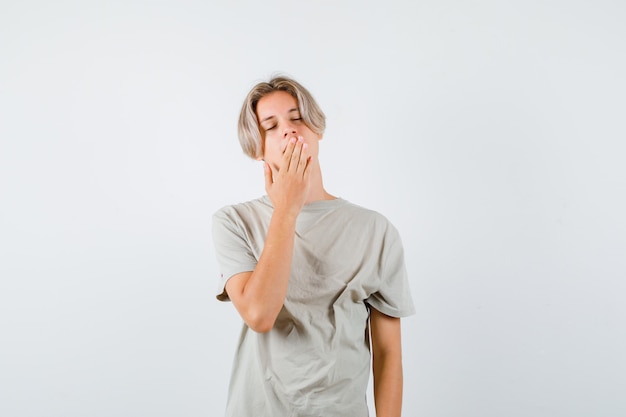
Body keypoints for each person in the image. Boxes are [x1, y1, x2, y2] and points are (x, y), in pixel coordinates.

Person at [212, 75, 415, 417]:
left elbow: (388, 352)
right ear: (257, 147)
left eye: (296, 117)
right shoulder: (234, 221)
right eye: (271, 125)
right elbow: (260, 314)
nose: (289, 130)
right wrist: (287, 208)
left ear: (317, 129)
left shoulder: (375, 230)